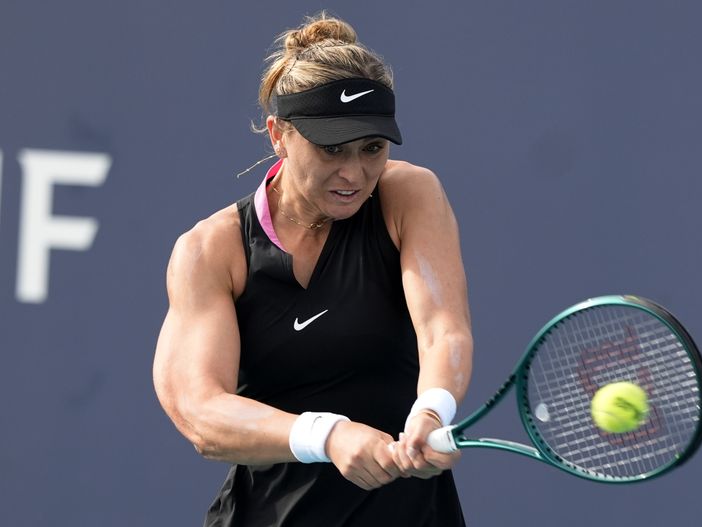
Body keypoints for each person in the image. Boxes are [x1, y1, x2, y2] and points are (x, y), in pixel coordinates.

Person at [153, 12, 472, 527]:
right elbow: (201, 413)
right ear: (280, 134)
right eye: (331, 149)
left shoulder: (408, 195)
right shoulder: (212, 250)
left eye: (372, 148)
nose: (355, 172)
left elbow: (443, 330)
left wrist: (432, 410)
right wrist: (329, 435)